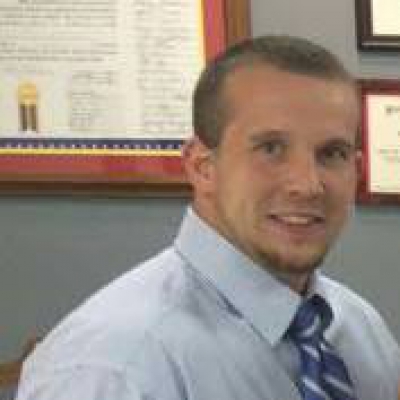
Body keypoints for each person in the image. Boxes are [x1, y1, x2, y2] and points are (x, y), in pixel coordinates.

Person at [16, 35, 400, 400]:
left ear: (356, 170)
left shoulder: (360, 330)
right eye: (271, 149)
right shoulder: (115, 368)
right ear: (202, 167)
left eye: (332, 153)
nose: (307, 185)